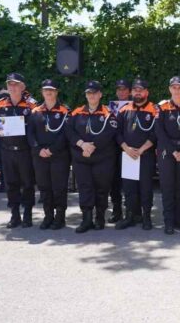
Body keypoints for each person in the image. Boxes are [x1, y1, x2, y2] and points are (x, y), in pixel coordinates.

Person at [65, 81, 119, 233]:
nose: (92, 96)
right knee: (85, 188)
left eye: (95, 93)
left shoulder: (109, 113)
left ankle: (100, 218)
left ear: (100, 94)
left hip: (103, 158)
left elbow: (110, 133)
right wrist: (82, 145)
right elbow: (69, 131)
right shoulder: (77, 112)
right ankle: (86, 219)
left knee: (102, 188)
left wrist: (92, 146)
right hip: (81, 158)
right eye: (89, 93)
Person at [0, 73, 37, 228]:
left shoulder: (32, 105)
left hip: (25, 151)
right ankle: (15, 214)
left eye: (16, 84)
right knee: (11, 184)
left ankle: (28, 214)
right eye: (10, 84)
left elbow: (37, 128)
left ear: (23, 87)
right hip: (7, 150)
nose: (12, 87)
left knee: (28, 183)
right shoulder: (0, 104)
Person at [26, 80, 70, 230]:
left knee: (59, 187)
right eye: (46, 90)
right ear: (42, 92)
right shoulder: (35, 112)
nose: (49, 92)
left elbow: (65, 135)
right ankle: (48, 216)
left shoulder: (65, 111)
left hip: (59, 156)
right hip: (40, 156)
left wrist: (52, 150)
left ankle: (60, 217)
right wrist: (38, 149)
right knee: (44, 187)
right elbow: (30, 133)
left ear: (56, 92)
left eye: (51, 90)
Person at [115, 78, 158, 230]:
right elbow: (117, 132)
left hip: (145, 155)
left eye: (141, 90)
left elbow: (155, 134)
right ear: (131, 92)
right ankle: (130, 216)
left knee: (146, 187)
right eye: (135, 90)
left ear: (147, 92)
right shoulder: (124, 109)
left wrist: (141, 150)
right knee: (129, 188)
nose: (138, 92)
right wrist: (126, 148)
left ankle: (146, 217)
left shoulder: (155, 110)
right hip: (128, 155)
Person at [156, 76, 180, 235]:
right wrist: (173, 150)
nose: (177, 90)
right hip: (167, 152)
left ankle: (179, 218)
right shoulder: (162, 107)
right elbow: (159, 132)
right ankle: (168, 221)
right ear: (170, 89)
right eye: (174, 87)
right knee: (167, 187)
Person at [107, 79, 131, 224]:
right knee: (114, 182)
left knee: (130, 181)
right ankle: (117, 211)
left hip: (129, 148)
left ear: (129, 91)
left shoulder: (135, 105)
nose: (121, 92)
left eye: (124, 89)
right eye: (119, 89)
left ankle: (132, 211)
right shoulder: (111, 107)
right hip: (113, 149)